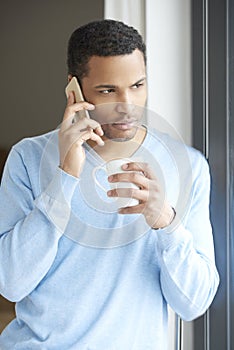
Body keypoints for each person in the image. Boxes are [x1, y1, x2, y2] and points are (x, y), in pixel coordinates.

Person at [0, 19, 219, 349]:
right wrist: (66, 177)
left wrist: (166, 222)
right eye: (107, 90)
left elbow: (194, 304)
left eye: (137, 85)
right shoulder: (27, 158)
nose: (127, 105)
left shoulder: (188, 166)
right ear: (74, 89)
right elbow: (11, 285)